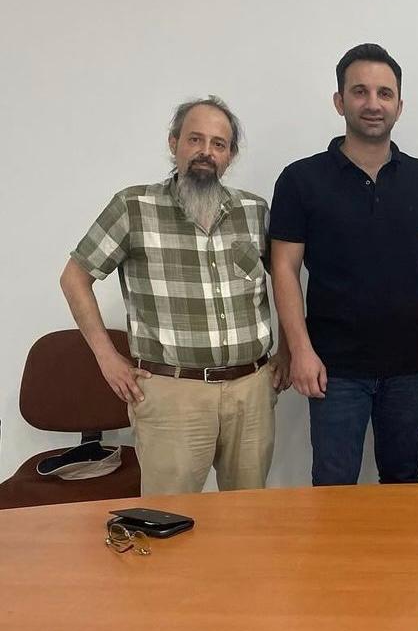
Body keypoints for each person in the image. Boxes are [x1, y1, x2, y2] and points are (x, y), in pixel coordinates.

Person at [61, 96, 290, 495]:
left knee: (250, 518)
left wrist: (288, 350)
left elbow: (286, 280)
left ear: (230, 155)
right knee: (168, 519)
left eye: (218, 144)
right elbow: (74, 277)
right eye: (195, 139)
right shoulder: (134, 206)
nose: (206, 152)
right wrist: (106, 357)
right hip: (172, 394)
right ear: (174, 143)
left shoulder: (254, 212)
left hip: (251, 390)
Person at [270, 44, 418, 485]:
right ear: (339, 101)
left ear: (399, 106)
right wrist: (300, 350)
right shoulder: (300, 179)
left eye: (385, 93)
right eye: (360, 91)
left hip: (409, 365)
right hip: (333, 367)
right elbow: (284, 269)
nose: (373, 103)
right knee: (334, 487)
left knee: (402, 482)